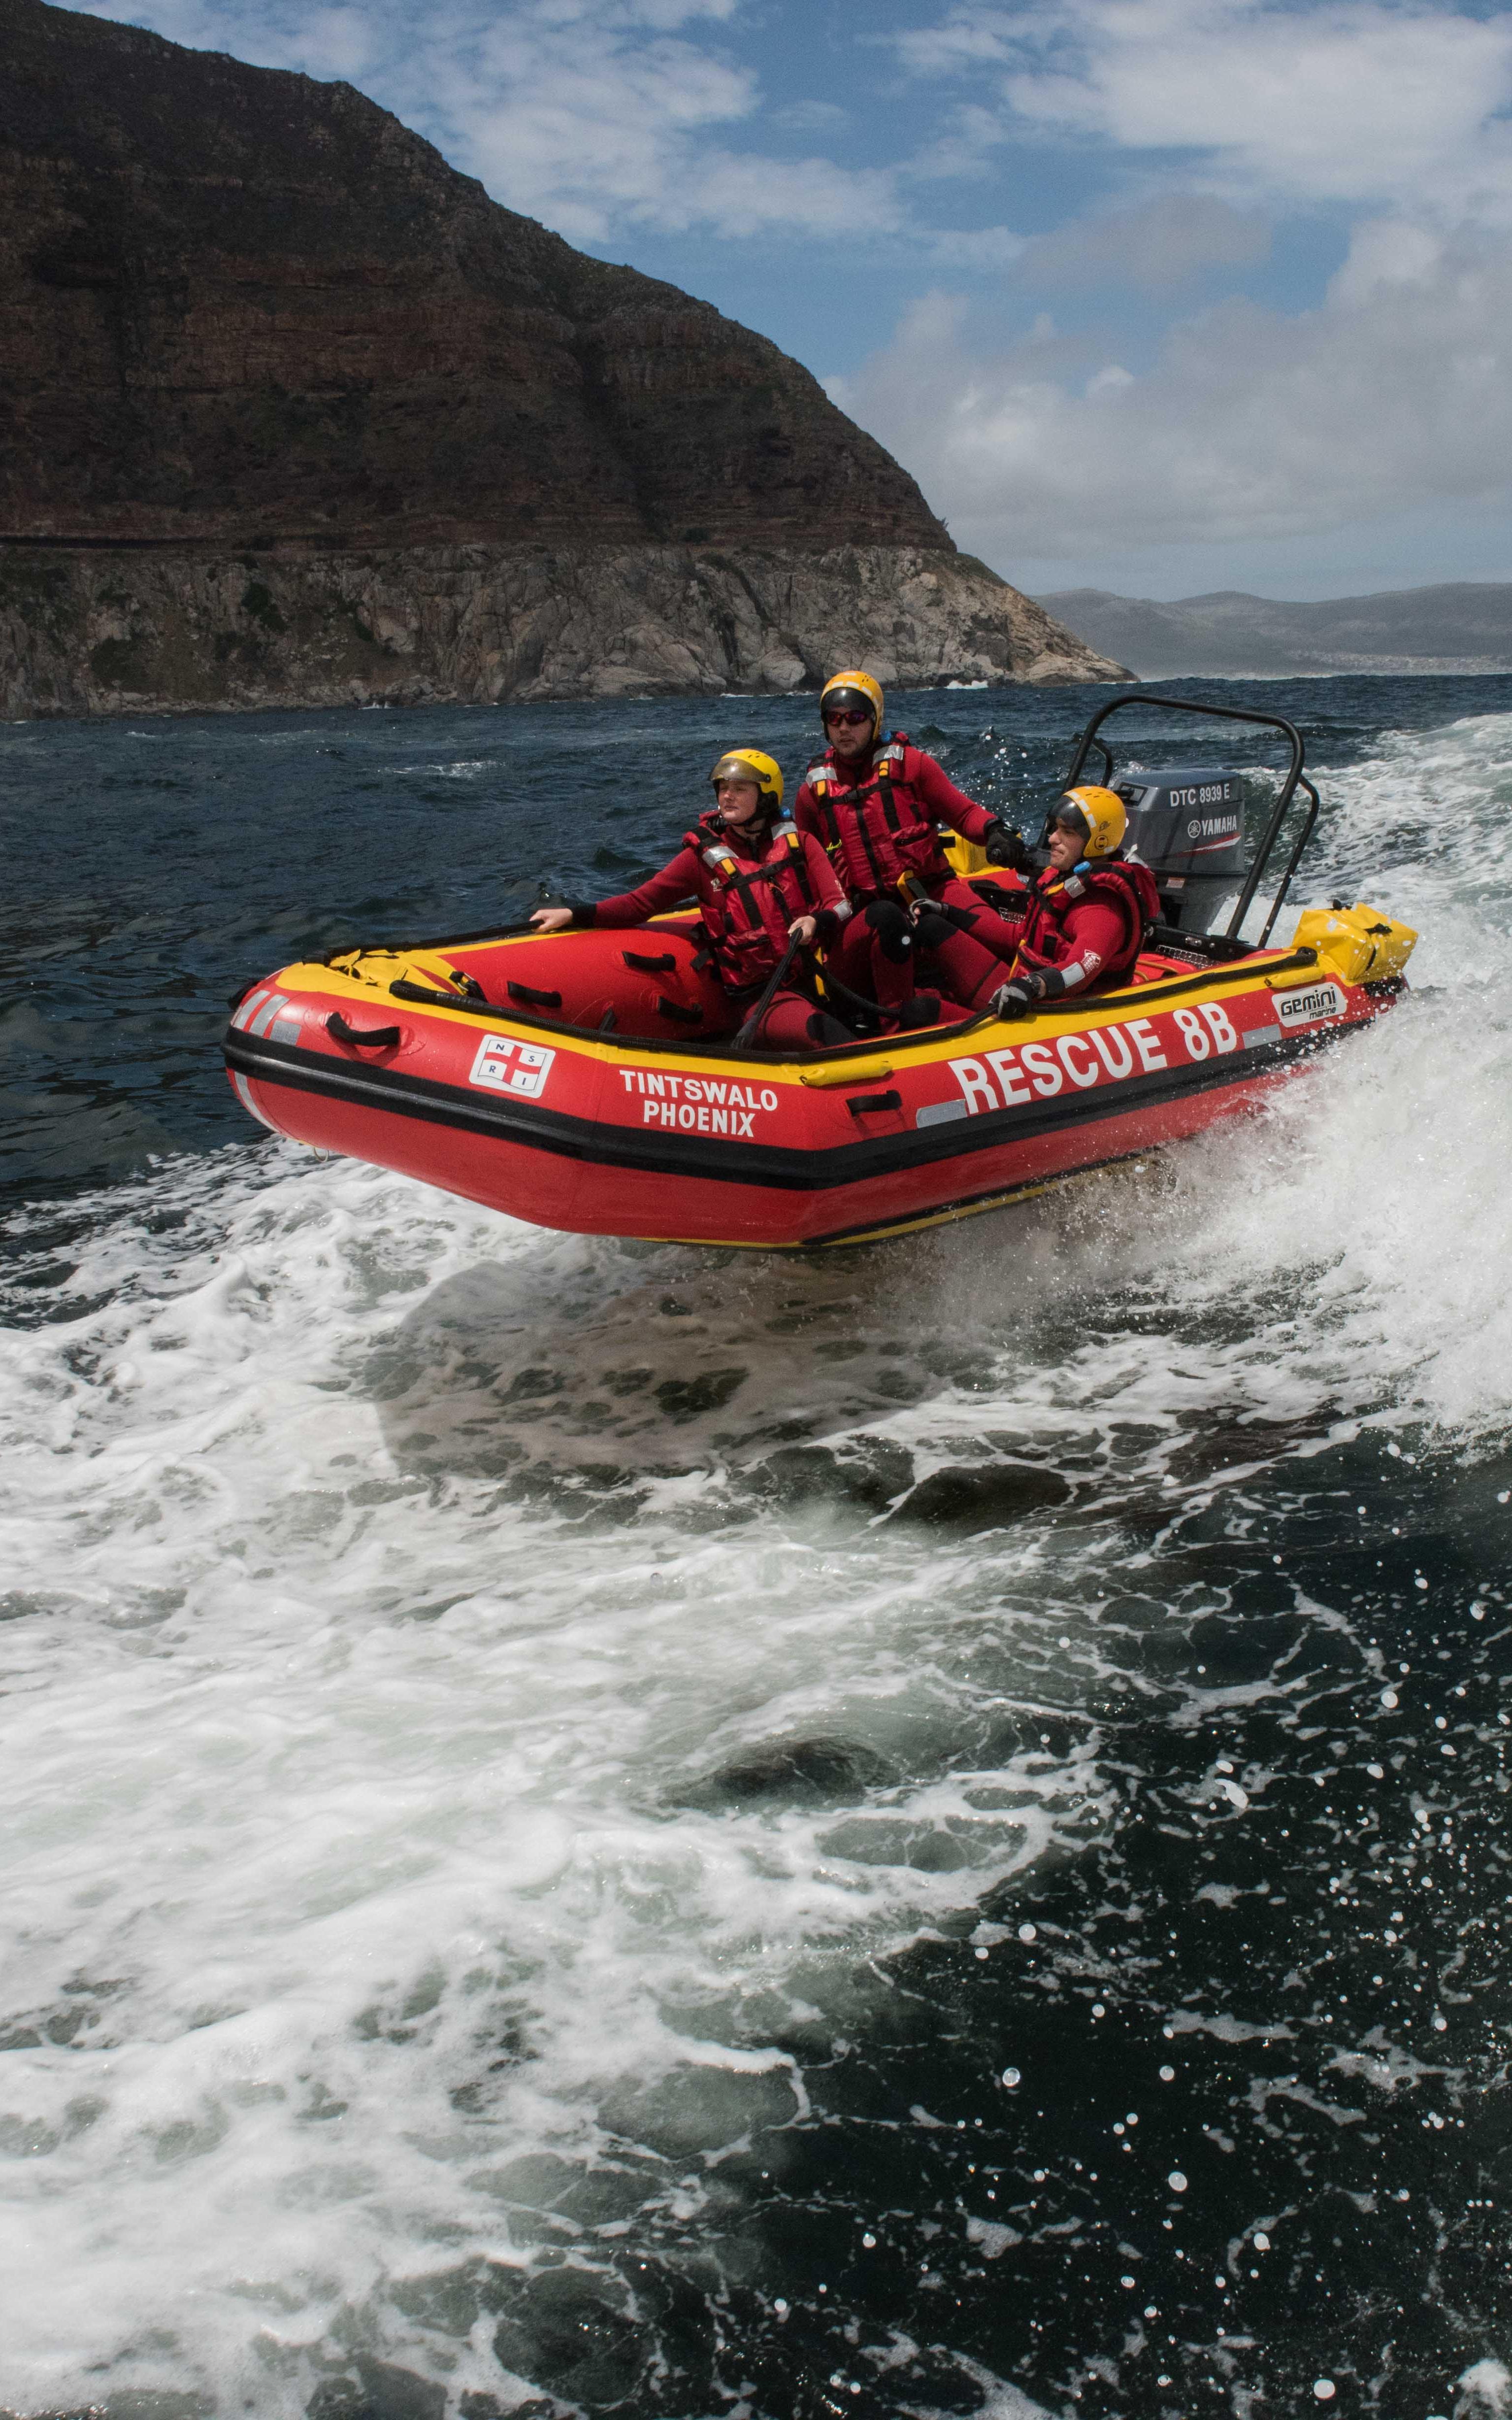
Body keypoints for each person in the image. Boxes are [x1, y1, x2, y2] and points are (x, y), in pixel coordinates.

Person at [530, 748, 858, 1051]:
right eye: (722, 788)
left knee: (884, 921)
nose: (727, 796)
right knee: (822, 1032)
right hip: (762, 996)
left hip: (818, 973)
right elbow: (639, 904)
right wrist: (573, 914)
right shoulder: (700, 860)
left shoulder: (800, 843)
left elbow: (839, 904)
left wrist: (816, 921)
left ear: (767, 796)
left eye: (740, 788)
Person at [792, 670, 1032, 1019]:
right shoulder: (813, 793)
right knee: (882, 929)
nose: (844, 728)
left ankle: (1042, 984)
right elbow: (803, 867)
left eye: (855, 718)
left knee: (1005, 937)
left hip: (934, 889)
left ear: (874, 720)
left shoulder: (913, 766)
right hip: (864, 912)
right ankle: (905, 1021)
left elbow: (963, 815)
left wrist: (995, 831)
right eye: (834, 719)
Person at [990, 786, 1161, 1015]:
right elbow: (1022, 937)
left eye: (1067, 833)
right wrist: (946, 912)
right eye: (1055, 829)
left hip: (1057, 1010)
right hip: (1022, 992)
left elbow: (1081, 968)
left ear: (1098, 842)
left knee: (928, 1009)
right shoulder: (1065, 880)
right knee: (935, 928)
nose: (1052, 839)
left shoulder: (1101, 908)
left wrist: (1034, 985)